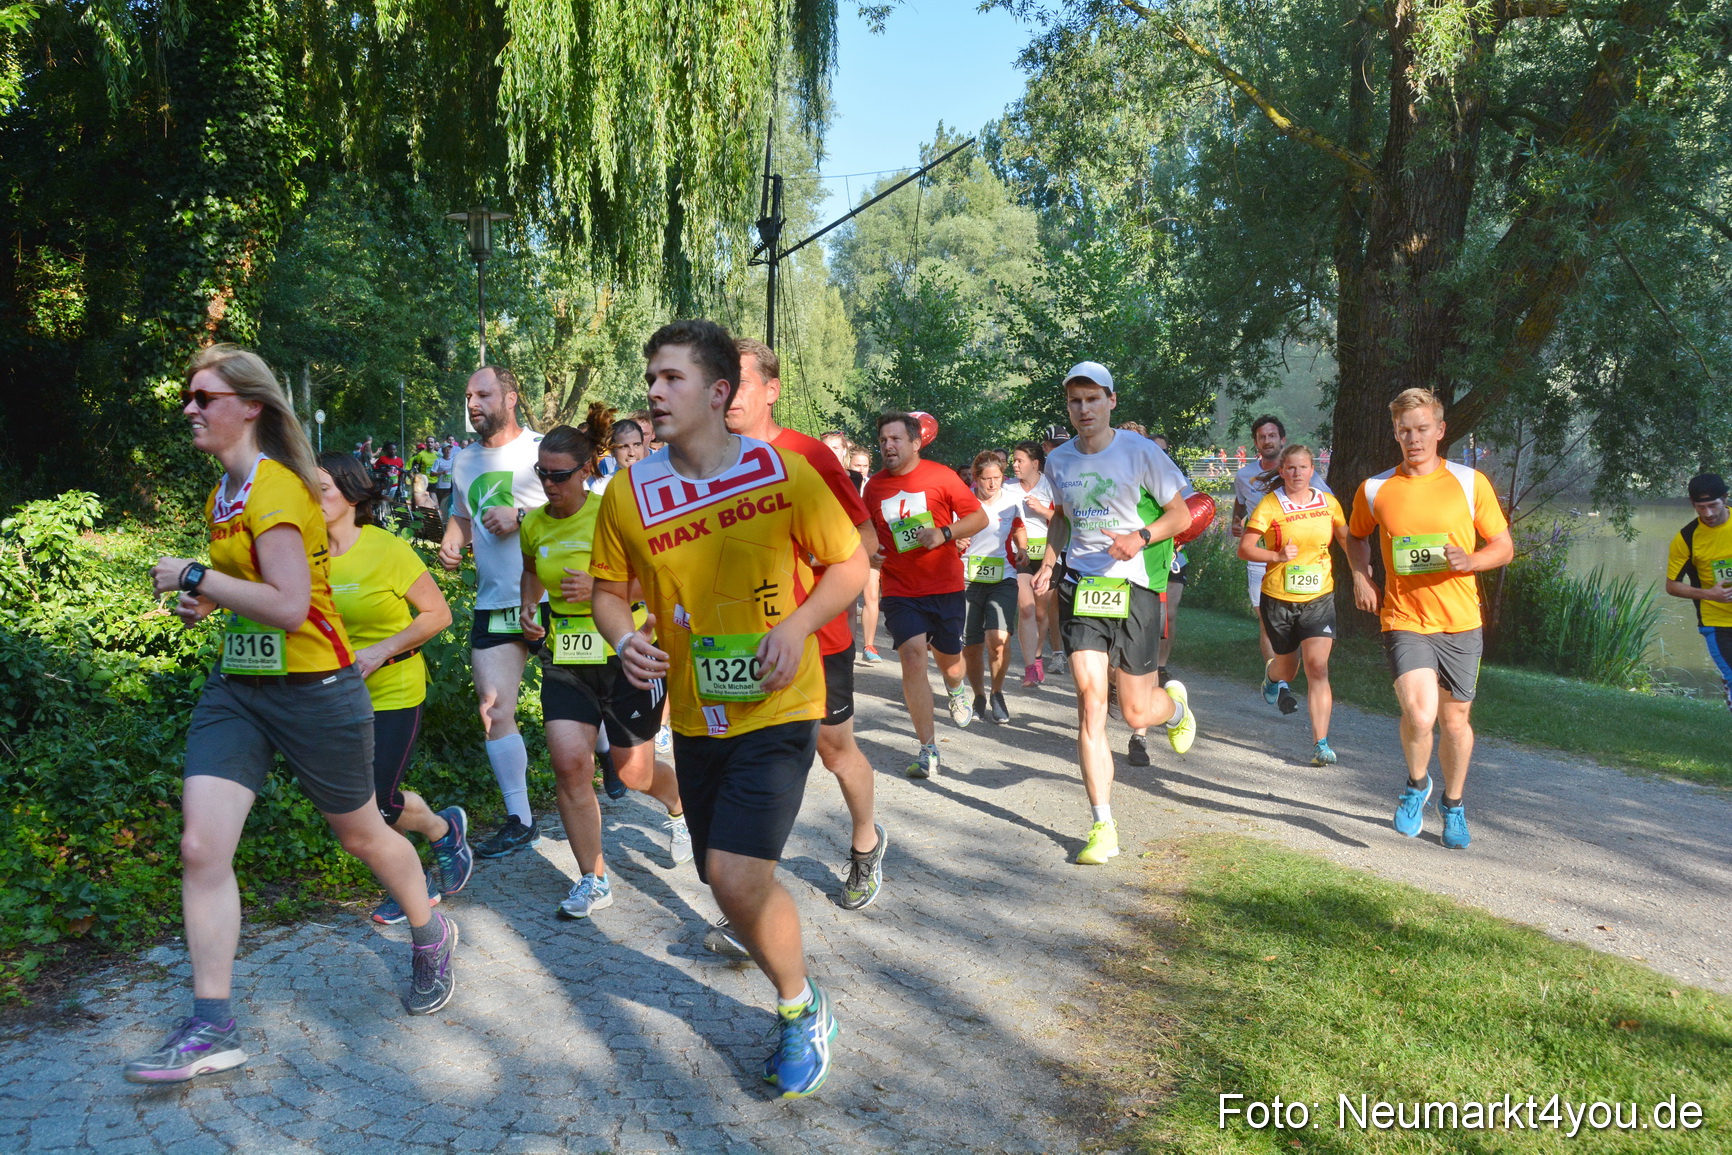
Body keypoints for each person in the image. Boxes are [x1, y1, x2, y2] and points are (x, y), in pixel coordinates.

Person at [132, 346, 458, 1083]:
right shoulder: (228, 489)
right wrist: (208, 597)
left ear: (249, 405)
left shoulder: (276, 490)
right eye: (188, 395)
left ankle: (431, 928)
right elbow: (259, 587)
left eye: (203, 396)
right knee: (201, 846)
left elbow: (287, 606)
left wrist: (193, 573)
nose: (189, 407)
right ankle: (212, 1023)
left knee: (362, 832)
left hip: (316, 689)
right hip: (241, 688)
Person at [591, 318, 867, 1099]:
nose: (653, 391)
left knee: (733, 872)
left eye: (671, 378)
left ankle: (801, 1007)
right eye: (650, 377)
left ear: (719, 391)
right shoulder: (629, 491)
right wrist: (622, 640)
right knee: (725, 881)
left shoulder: (782, 473)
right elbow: (611, 595)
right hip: (699, 712)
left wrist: (798, 623)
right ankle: (783, 974)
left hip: (783, 702)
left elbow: (849, 564)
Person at [722, 337, 888, 915]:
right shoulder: (710, 458)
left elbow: (865, 542)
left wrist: (809, 570)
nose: (727, 392)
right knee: (753, 761)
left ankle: (866, 842)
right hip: (743, 639)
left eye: (739, 381)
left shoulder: (810, 456)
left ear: (771, 390)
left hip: (819, 637)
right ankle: (745, 893)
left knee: (835, 751)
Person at [517, 416, 690, 919]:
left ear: (585, 471)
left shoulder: (612, 513)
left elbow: (657, 579)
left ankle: (678, 807)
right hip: (567, 659)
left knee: (632, 773)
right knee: (570, 766)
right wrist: (531, 612)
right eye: (541, 473)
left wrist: (599, 591)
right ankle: (593, 878)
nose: (548, 485)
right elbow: (531, 574)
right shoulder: (534, 523)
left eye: (558, 475)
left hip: (625, 654)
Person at [1033, 362, 1197, 866]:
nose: (1083, 409)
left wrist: (1139, 537)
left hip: (1136, 587)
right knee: (1089, 700)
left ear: (1111, 401)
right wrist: (1049, 559)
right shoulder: (1058, 461)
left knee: (1135, 711)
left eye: (1092, 399)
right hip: (1083, 587)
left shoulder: (1140, 452)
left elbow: (1182, 514)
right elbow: (1060, 518)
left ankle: (1174, 706)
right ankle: (1103, 825)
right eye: (1074, 402)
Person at [1346, 388, 1513, 850]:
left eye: (1422, 429)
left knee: (1455, 723)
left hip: (1460, 621)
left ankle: (1453, 804)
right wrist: (1362, 577)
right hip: (1404, 618)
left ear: (1440, 431)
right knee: (1420, 714)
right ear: (1395, 434)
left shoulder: (1468, 483)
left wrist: (1471, 561)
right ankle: (1417, 784)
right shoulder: (1376, 488)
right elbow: (1356, 537)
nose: (1413, 439)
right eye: (1404, 431)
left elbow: (1503, 547)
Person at [317, 453, 472, 922]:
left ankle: (429, 856)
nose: (310, 496)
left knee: (378, 802)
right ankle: (436, 841)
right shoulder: (304, 553)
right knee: (352, 805)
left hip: (394, 691)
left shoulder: (387, 550)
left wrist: (380, 650)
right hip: (335, 696)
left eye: (320, 487)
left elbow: (438, 615)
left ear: (350, 494)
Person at [437, 367, 548, 858]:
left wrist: (521, 516)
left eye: (483, 394)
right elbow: (463, 514)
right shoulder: (463, 461)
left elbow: (582, 511)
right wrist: (452, 539)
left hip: (555, 600)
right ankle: (520, 819)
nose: (473, 403)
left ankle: (610, 754)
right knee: (493, 709)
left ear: (511, 397)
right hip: (495, 602)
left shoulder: (544, 451)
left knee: (589, 702)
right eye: (468, 396)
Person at [861, 412, 990, 778]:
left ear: (916, 443)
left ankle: (955, 686)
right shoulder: (874, 488)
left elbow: (978, 518)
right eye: (883, 440)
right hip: (900, 589)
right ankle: (928, 748)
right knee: (913, 656)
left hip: (944, 586)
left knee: (950, 660)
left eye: (896, 439)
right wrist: (869, 554)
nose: (888, 446)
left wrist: (944, 533)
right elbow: (866, 531)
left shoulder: (941, 476)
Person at [1238, 444, 1350, 765]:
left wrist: (1361, 571)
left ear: (1313, 470)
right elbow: (1245, 548)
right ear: (1282, 471)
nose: (1297, 473)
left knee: (1317, 667)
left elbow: (1346, 539)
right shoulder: (1270, 506)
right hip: (1279, 597)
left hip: (1318, 597)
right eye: (1291, 468)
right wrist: (1275, 555)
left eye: (1303, 467)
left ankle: (1321, 744)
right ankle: (1273, 678)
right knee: (1289, 667)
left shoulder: (1328, 503)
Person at [1234, 417, 1331, 668]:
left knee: (1302, 622)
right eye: (1262, 437)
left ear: (1282, 439)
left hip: (1302, 557)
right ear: (1256, 442)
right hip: (1262, 556)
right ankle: (1277, 679)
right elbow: (1241, 503)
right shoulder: (1245, 475)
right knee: (1266, 620)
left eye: (1272, 436)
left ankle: (1291, 663)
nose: (1268, 441)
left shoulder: (1302, 472)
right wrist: (1237, 521)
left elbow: (1327, 503)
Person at [959, 450, 1027, 723]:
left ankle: (997, 692)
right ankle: (978, 695)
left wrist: (1022, 547)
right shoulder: (962, 501)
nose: (992, 484)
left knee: (998, 640)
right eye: (986, 479)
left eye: (997, 478)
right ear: (975, 478)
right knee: (971, 645)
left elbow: (1019, 527)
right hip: (965, 578)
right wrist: (954, 541)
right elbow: (948, 530)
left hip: (1004, 578)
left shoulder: (1011, 502)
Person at [1663, 472, 1732, 713]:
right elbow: (1672, 585)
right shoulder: (1686, 538)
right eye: (1700, 507)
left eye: (1713, 505)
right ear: (1692, 504)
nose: (1708, 514)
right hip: (1717, 622)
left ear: (1725, 498)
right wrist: (1709, 594)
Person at [1007, 441, 1058, 687]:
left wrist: (1042, 510)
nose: (1015, 465)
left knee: (1040, 612)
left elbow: (1065, 521)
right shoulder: (1007, 488)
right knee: (1026, 608)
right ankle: (1030, 667)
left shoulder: (1052, 486)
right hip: (1021, 555)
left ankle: (1037, 657)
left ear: (1035, 464)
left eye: (1020, 461)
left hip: (1049, 555)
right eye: (1013, 461)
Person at [1152, 434, 1189, 688]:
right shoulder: (1135, 478)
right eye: (1156, 451)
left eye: (1165, 451)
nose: (1161, 456)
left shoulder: (1180, 480)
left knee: (1169, 614)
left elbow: (1193, 516)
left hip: (1176, 555)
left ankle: (1161, 666)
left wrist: (1182, 538)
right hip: (1145, 554)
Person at [432, 440, 456, 519]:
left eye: (449, 449)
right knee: (441, 505)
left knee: (449, 505)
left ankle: (448, 520)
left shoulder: (453, 461)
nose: (448, 451)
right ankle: (441, 520)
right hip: (440, 487)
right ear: (442, 451)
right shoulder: (438, 461)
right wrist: (442, 473)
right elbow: (432, 473)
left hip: (451, 487)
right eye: (446, 449)